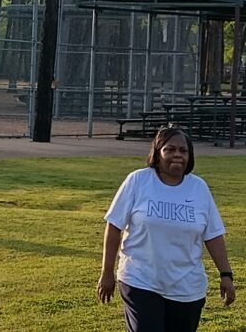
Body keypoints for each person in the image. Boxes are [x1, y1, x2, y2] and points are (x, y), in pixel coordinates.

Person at [97, 127, 236, 332]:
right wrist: (107, 271)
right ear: (158, 153)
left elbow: (213, 234)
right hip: (140, 280)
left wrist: (226, 275)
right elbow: (115, 226)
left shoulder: (199, 188)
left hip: (187, 288)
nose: (178, 155)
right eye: (170, 149)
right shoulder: (138, 181)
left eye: (183, 150)